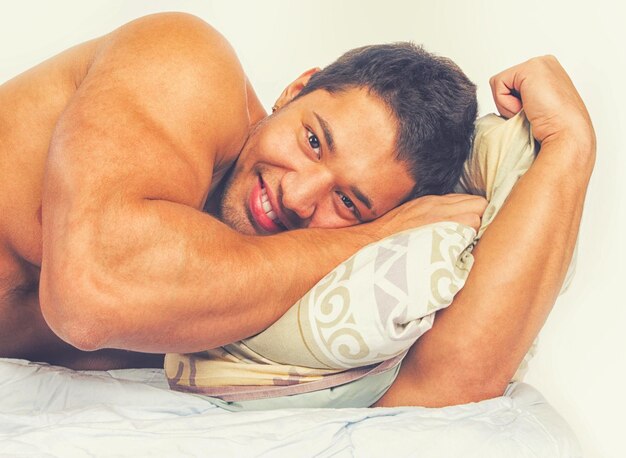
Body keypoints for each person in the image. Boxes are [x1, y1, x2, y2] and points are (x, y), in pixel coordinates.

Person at [0, 13, 594, 408]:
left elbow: (448, 387)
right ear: (295, 89)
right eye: (313, 140)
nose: (297, 195)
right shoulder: (186, 65)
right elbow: (89, 294)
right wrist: (366, 234)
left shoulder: (275, 286)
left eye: (347, 201)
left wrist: (570, 149)